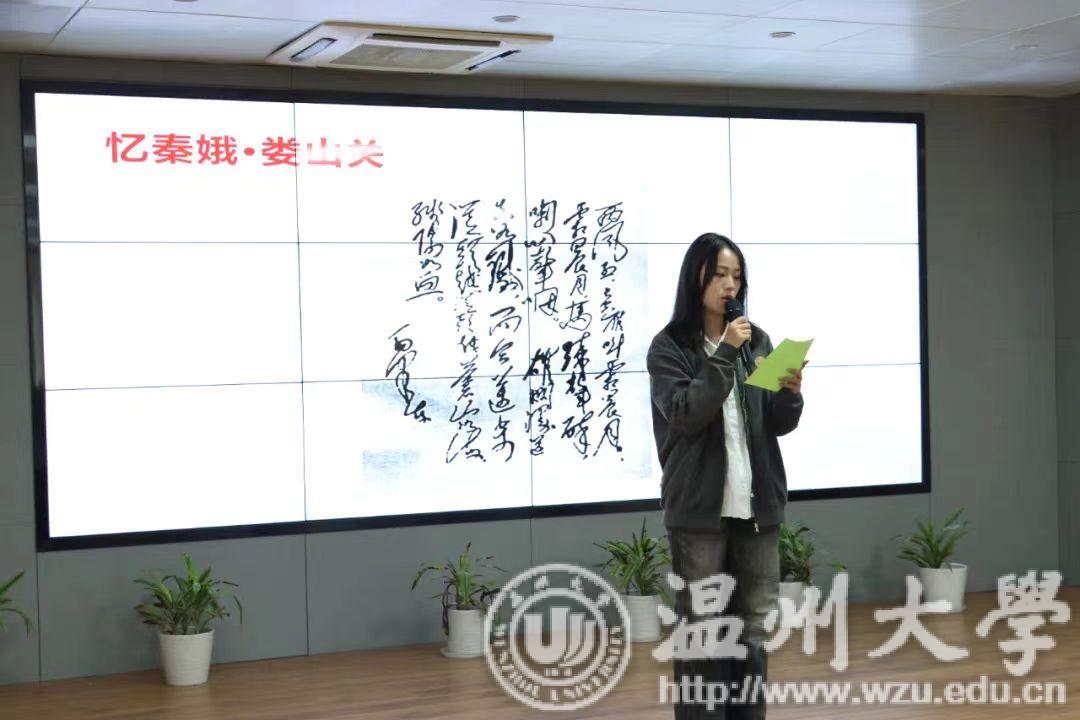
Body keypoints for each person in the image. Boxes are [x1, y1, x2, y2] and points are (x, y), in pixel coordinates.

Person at [646, 232, 807, 719]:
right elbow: (686, 414)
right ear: (695, 278)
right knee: (701, 631)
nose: (729, 285)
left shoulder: (759, 341)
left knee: (752, 631)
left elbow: (777, 423)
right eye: (718, 274)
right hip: (700, 513)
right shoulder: (669, 347)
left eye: (736, 275)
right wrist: (722, 355)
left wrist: (791, 394)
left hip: (756, 509)